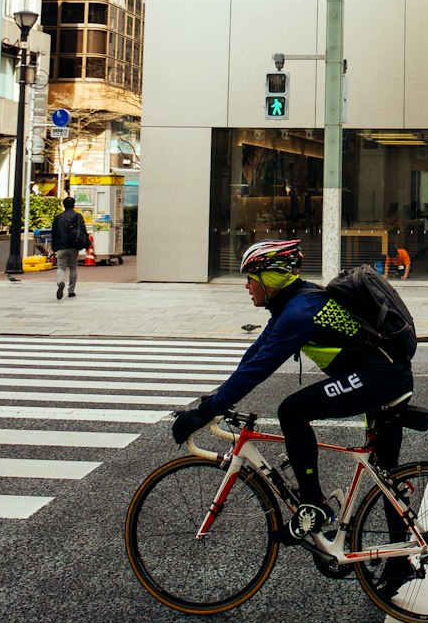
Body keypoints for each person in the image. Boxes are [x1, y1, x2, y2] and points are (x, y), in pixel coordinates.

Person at [170, 239, 415, 585]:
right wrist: (211, 403)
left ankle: (312, 507)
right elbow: (254, 356)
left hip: (381, 379)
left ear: (270, 279)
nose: (246, 285)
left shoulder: (299, 313)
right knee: (385, 475)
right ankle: (400, 561)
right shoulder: (294, 305)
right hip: (382, 377)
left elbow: (258, 371)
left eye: (251, 277)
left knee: (293, 410)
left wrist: (206, 410)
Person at [51, 196, 89, 300]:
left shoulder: (58, 217)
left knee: (61, 267)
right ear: (73, 205)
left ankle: (60, 282)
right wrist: (87, 244)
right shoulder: (78, 216)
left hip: (61, 246)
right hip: (74, 245)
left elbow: (53, 233)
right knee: (73, 267)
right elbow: (83, 231)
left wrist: (54, 247)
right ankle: (71, 291)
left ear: (63, 205)